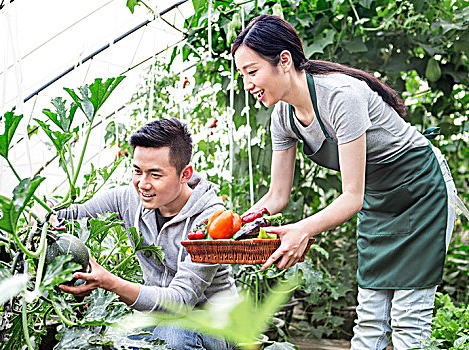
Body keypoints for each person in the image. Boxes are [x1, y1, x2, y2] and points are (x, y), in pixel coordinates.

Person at [232, 14, 457, 350]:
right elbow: (277, 196)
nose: (247, 84)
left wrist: (302, 230)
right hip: (378, 199)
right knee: (369, 322)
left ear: (284, 61)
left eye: (252, 72)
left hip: (420, 190)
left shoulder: (341, 96)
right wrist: (233, 226)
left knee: (409, 322)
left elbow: (352, 196)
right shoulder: (283, 116)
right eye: (242, 75)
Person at [50, 118, 237, 350]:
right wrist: (40, 212)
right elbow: (70, 215)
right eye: (137, 171)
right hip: (160, 321)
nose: (143, 184)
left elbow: (180, 302)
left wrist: (111, 283)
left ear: (185, 174)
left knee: (174, 336)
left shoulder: (212, 221)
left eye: (155, 175)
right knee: (113, 338)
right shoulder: (128, 199)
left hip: (217, 327)